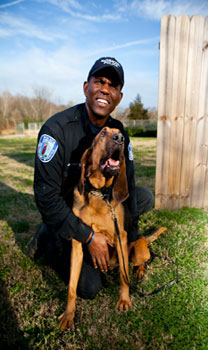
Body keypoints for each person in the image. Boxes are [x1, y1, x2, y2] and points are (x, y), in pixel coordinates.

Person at [28, 57, 154, 299]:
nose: (105, 89)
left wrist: (132, 240)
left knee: (143, 197)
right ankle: (48, 235)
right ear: (87, 87)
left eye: (113, 86)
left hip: (98, 201)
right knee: (89, 287)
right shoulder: (57, 130)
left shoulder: (118, 132)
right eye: (99, 82)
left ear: (119, 96)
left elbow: (129, 184)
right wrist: (89, 236)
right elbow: (45, 197)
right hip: (67, 209)